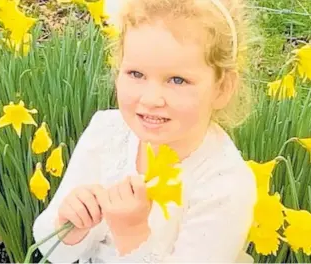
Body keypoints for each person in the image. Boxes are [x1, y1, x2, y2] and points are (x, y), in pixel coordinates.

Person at [33, 0, 259, 262]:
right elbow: (52, 248)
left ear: (222, 88)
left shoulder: (223, 184)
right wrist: (71, 225)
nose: (151, 99)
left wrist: (132, 235)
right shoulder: (106, 133)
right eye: (136, 74)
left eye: (177, 80)